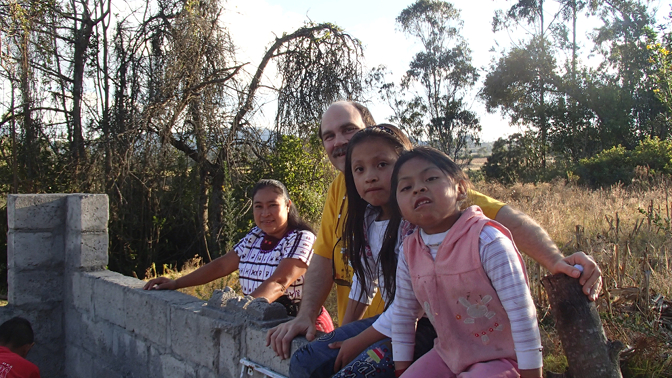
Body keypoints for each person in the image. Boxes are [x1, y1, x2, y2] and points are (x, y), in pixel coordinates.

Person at [266, 101, 601, 360]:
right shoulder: (343, 192)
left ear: (373, 130)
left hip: (417, 331)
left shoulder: (418, 191)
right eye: (328, 135)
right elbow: (325, 257)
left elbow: (502, 217)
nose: (338, 141)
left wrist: (556, 260)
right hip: (368, 330)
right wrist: (308, 316)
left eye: (347, 130)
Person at [391, 146, 542, 378]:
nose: (419, 188)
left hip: (502, 357)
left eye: (431, 178)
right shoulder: (409, 252)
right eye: (406, 187)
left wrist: (532, 373)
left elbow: (522, 313)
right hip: (448, 355)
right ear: (399, 206)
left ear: (460, 188)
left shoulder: (487, 241)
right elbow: (403, 314)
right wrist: (401, 371)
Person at [144, 179, 333, 332]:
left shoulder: (302, 238)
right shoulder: (255, 236)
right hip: (259, 322)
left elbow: (280, 282)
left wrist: (242, 309)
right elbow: (222, 265)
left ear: (288, 206)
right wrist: (176, 283)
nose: (265, 213)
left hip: (297, 327)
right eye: (259, 206)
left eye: (272, 205)